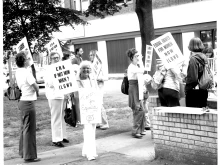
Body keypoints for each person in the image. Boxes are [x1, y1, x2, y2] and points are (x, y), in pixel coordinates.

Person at [15, 51, 41, 162]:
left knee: (24, 128)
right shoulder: (26, 72)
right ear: (24, 61)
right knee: (29, 130)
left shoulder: (18, 71)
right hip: (28, 102)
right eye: (27, 58)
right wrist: (38, 93)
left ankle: (23, 152)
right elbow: (35, 86)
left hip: (22, 101)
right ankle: (29, 156)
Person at [74, 60, 100, 161]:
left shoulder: (92, 79)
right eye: (84, 68)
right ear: (80, 69)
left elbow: (97, 91)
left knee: (91, 129)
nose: (86, 70)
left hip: (93, 108)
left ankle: (85, 151)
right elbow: (76, 96)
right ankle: (91, 153)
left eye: (88, 68)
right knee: (88, 129)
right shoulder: (76, 81)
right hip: (83, 108)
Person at [44, 52, 69, 147]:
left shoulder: (61, 67)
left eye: (58, 58)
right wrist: (59, 81)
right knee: (55, 117)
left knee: (62, 116)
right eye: (54, 58)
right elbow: (50, 83)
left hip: (61, 95)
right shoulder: (48, 69)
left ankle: (63, 136)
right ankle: (56, 139)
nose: (56, 59)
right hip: (54, 96)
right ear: (50, 59)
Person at [126, 48, 146, 139]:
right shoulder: (132, 67)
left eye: (138, 55)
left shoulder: (136, 66)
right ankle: (136, 130)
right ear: (131, 57)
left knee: (141, 109)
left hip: (137, 88)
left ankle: (140, 130)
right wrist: (141, 61)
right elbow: (142, 70)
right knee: (137, 110)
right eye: (136, 56)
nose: (138, 58)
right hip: (134, 89)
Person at [185, 37, 209, 108]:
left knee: (192, 115)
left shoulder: (193, 59)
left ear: (191, 46)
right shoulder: (204, 57)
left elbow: (193, 78)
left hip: (194, 91)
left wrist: (186, 81)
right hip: (203, 89)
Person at [89, 50, 109, 130]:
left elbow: (106, 77)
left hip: (99, 86)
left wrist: (99, 78)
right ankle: (98, 121)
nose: (90, 56)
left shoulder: (101, 66)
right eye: (90, 55)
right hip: (92, 86)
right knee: (94, 104)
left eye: (92, 55)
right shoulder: (90, 65)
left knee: (99, 104)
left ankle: (105, 123)